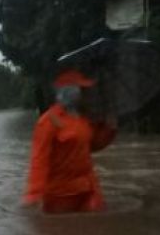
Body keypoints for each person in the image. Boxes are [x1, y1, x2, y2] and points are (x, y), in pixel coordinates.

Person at [22, 68, 117, 214]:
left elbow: (92, 145)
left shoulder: (84, 118)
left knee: (96, 223)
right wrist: (34, 194)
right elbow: (39, 159)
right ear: (70, 92)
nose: (85, 93)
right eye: (81, 89)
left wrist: (109, 130)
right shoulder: (48, 121)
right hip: (60, 194)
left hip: (88, 188)